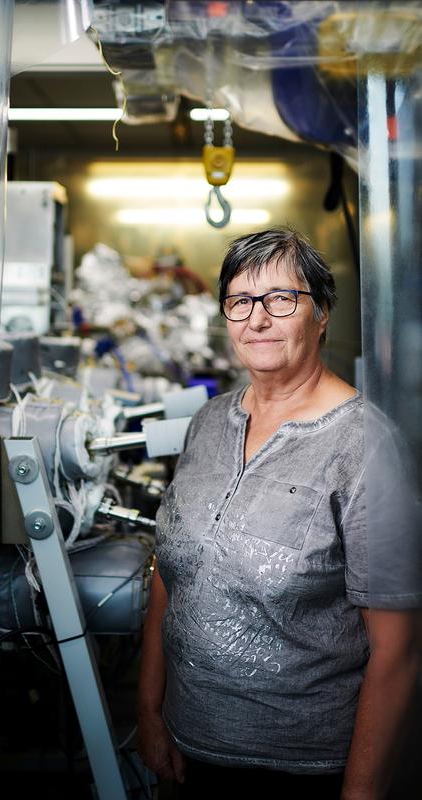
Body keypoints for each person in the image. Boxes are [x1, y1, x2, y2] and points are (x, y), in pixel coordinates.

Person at [137, 228, 422, 799]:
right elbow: (170, 572)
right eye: (241, 301)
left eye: (280, 299)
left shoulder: (363, 445)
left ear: (321, 315)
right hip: (190, 749)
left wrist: (360, 793)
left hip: (302, 771)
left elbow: (400, 649)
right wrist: (149, 711)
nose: (257, 319)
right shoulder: (209, 423)